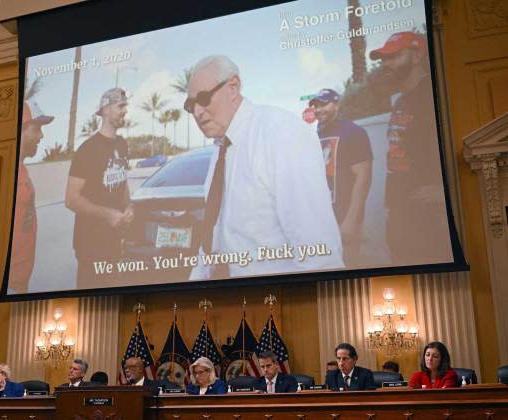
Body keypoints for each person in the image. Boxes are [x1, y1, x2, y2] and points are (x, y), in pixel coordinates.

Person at [186, 55, 343, 281]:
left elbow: (319, 252)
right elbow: (213, 237)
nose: (197, 112)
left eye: (203, 98)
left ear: (233, 87)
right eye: (190, 105)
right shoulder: (220, 150)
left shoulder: (281, 134)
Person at [370, 32, 450, 265]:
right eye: (383, 59)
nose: (386, 64)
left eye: (394, 57)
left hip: (430, 221)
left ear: (417, 55)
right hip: (401, 216)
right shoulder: (402, 101)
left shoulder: (432, 95)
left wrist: (445, 193)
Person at [66, 88, 133, 288]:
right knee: (93, 307)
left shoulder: (122, 145)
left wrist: (128, 207)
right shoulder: (87, 150)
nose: (125, 111)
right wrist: (108, 215)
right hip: (90, 245)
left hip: (114, 243)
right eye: (120, 106)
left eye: (125, 106)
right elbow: (71, 199)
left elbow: (123, 183)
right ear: (105, 109)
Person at [311, 88, 373, 266]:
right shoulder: (316, 136)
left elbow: (364, 177)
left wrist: (351, 220)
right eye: (315, 105)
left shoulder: (353, 132)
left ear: (336, 105)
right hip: (322, 218)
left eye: (324, 104)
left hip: (344, 218)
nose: (318, 109)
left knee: (347, 269)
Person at [8, 99, 54, 293]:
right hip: (7, 284)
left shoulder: (22, 170)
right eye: (37, 128)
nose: (41, 135)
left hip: (18, 286)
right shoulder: (7, 173)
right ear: (22, 128)